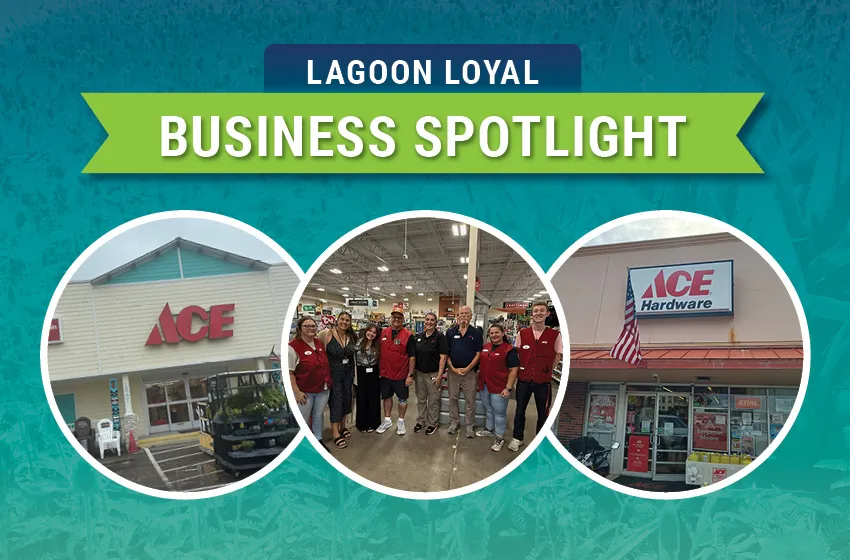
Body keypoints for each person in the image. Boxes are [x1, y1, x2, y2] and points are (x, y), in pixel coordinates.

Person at [508, 302, 563, 452]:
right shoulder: (522, 333)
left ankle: (540, 442)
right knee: (519, 411)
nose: (538, 313)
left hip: (543, 382)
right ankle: (517, 438)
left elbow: (558, 355)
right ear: (532, 314)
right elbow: (517, 353)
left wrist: (545, 370)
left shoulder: (555, 335)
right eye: (535, 311)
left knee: (543, 413)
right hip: (524, 380)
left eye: (541, 311)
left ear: (547, 314)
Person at [288, 316, 332, 448]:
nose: (311, 328)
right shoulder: (292, 347)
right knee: (303, 418)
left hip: (322, 388)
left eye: (313, 326)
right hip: (305, 391)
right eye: (306, 326)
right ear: (300, 329)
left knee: (318, 415)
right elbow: (290, 372)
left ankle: (318, 439)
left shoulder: (318, 342)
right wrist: (296, 392)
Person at [475, 324, 519, 451]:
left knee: (499, 413)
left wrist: (508, 388)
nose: (494, 335)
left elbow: (513, 370)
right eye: (492, 333)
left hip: (500, 386)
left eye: (497, 332)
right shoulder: (486, 347)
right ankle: (489, 429)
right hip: (484, 384)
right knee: (488, 408)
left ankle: (499, 437)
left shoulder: (509, 350)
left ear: (503, 333)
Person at [317, 312, 357, 449]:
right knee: (336, 402)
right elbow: (316, 348)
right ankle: (335, 433)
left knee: (347, 400)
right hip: (334, 375)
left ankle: (343, 427)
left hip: (348, 374)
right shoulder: (326, 334)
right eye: (342, 319)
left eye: (347, 320)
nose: (344, 322)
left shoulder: (351, 336)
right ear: (337, 320)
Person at [445, 305, 484, 438]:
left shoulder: (476, 333)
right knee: (452, 398)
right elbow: (446, 354)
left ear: (471, 316)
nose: (464, 316)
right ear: (457, 316)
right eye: (461, 314)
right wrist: (453, 368)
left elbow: (478, 354)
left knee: (470, 401)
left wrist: (468, 368)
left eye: (467, 314)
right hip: (453, 373)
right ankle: (454, 423)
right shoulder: (450, 332)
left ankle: (469, 426)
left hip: (469, 373)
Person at [377, 311, 416, 435]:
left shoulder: (408, 336)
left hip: (401, 375)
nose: (396, 320)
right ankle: (387, 420)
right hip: (385, 374)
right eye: (394, 317)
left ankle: (400, 421)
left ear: (403, 319)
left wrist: (410, 375)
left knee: (402, 399)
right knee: (386, 397)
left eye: (399, 318)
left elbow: (412, 357)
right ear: (390, 318)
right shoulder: (383, 333)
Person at [412, 312, 449, 435]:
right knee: (421, 399)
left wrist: (439, 376)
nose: (429, 322)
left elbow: (443, 358)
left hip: (433, 374)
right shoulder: (419, 336)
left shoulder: (439, 337)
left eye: (432, 320)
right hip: (420, 374)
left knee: (433, 400)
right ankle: (421, 420)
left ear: (436, 322)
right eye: (427, 319)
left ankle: (432, 423)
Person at [354, 323, 381, 433]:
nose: (371, 334)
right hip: (361, 372)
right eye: (370, 331)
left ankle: (373, 423)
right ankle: (362, 424)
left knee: (374, 398)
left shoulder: (378, 345)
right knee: (361, 398)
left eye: (374, 332)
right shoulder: (358, 343)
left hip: (374, 372)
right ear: (366, 331)